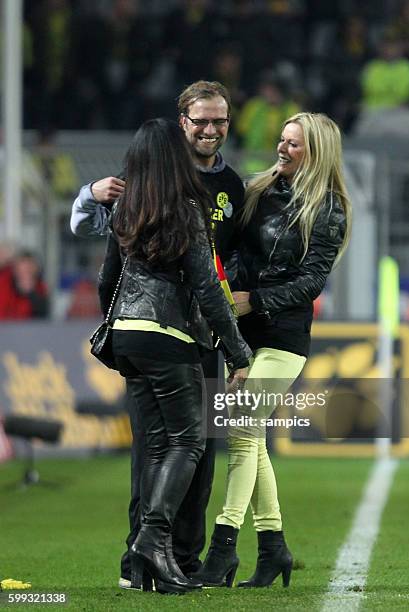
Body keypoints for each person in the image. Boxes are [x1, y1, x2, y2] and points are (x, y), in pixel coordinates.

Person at [70, 81, 245, 587]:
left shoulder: (221, 188)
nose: (211, 130)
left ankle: (167, 560)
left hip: (144, 334)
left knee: (165, 450)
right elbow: (209, 287)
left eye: (220, 121)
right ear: (182, 129)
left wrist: (119, 324)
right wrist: (238, 349)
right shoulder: (162, 198)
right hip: (175, 334)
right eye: (201, 122)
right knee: (185, 443)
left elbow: (108, 277)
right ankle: (148, 547)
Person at [198, 112, 351, 587]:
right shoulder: (257, 190)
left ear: (317, 153)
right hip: (242, 332)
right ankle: (273, 549)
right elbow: (234, 252)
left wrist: (254, 300)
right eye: (282, 141)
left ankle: (223, 548)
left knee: (242, 433)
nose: (282, 149)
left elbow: (311, 283)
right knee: (252, 439)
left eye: (294, 145)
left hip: (284, 335)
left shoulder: (328, 208)